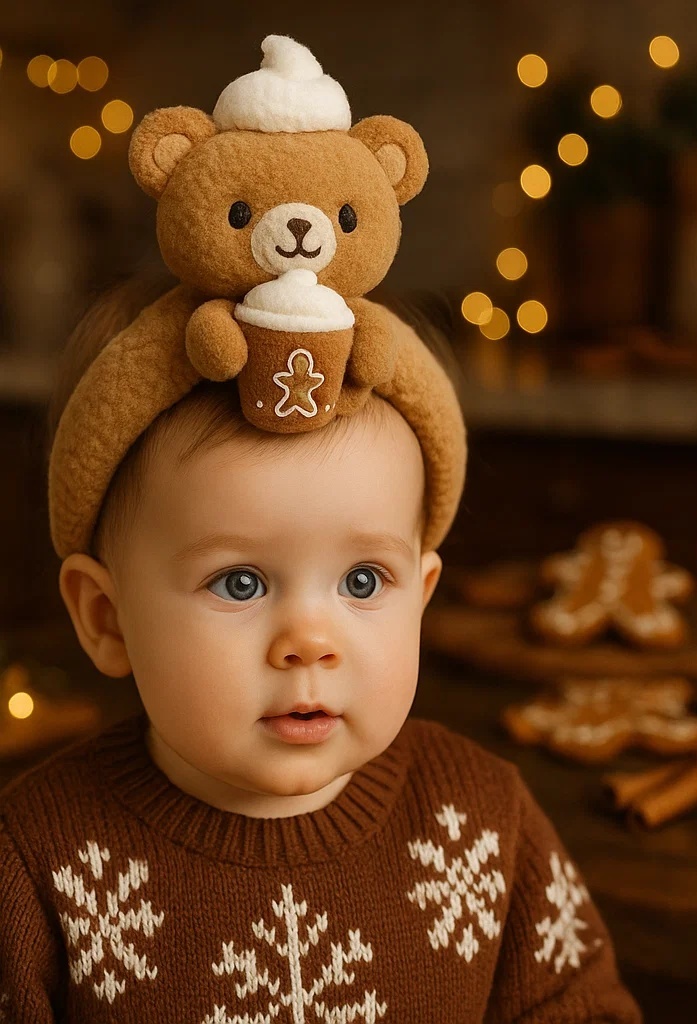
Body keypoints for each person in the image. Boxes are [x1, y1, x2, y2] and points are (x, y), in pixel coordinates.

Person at [0, 268, 641, 1023]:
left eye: (364, 581)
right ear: (107, 618)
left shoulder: (480, 820)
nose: (310, 642)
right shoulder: (38, 857)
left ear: (422, 595)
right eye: (239, 583)